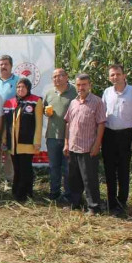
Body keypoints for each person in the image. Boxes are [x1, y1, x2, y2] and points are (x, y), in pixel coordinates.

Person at [101, 64, 132, 215]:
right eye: (112, 75)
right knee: (109, 169)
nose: (115, 77)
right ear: (109, 77)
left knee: (123, 170)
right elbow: (102, 115)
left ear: (124, 75)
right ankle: (111, 201)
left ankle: (121, 201)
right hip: (108, 134)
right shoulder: (107, 92)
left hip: (126, 135)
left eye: (118, 74)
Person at [63, 74, 107, 215]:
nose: (81, 87)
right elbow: (68, 123)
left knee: (89, 179)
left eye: (84, 84)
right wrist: (66, 143)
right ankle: (75, 203)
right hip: (74, 146)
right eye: (78, 85)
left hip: (88, 147)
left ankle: (94, 207)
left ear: (89, 85)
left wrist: (97, 144)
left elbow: (101, 124)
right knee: (74, 178)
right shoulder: (73, 102)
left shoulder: (97, 102)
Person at [3, 78, 43, 202]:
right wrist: (5, 140)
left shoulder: (36, 101)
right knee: (17, 169)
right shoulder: (10, 102)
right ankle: (16, 192)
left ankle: (25, 194)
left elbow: (39, 123)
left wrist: (37, 141)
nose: (20, 89)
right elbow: (6, 124)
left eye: (23, 87)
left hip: (27, 142)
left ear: (28, 88)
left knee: (26, 169)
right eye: (18, 87)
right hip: (13, 144)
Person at [42, 68, 77, 202]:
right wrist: (47, 112)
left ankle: (68, 194)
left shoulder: (74, 92)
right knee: (54, 167)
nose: (57, 79)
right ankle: (54, 192)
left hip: (70, 136)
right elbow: (45, 109)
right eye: (54, 77)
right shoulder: (50, 93)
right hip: (52, 136)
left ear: (67, 77)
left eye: (60, 76)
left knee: (68, 168)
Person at [0, 55, 19, 188]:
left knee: (8, 150)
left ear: (11, 66)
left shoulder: (18, 80)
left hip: (10, 120)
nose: (3, 67)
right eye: (1, 64)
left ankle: (9, 180)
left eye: (6, 64)